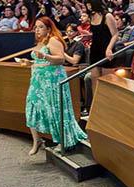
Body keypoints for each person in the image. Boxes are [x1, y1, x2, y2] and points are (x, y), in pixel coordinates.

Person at [24, 17, 87, 154]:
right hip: (38, 81)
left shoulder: (54, 40)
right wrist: (32, 63)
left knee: (55, 109)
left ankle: (62, 140)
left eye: (40, 27)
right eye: (36, 27)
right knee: (31, 106)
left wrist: (44, 57)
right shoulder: (41, 42)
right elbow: (41, 61)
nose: (37, 30)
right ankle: (37, 140)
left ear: (48, 28)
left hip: (52, 80)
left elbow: (60, 59)